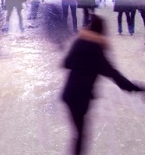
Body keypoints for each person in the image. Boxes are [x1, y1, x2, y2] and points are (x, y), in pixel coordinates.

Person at [61, 16, 142, 154]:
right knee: (81, 134)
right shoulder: (96, 50)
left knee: (79, 132)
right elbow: (115, 76)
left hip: (69, 94)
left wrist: (82, 65)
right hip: (81, 98)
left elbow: (66, 63)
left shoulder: (80, 41)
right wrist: (137, 88)